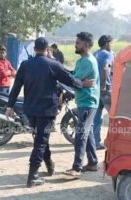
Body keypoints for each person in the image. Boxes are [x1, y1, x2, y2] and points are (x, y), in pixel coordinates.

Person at [6, 37, 93, 187]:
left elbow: (16, 87)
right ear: (47, 49)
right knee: (40, 141)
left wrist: (10, 105)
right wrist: (82, 84)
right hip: (46, 111)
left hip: (30, 111)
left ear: (34, 49)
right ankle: (32, 176)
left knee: (40, 137)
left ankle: (49, 164)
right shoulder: (53, 64)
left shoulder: (25, 65)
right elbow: (69, 80)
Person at [64, 32, 100, 177]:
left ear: (86, 45)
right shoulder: (81, 60)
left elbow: (73, 80)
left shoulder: (87, 61)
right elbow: (74, 78)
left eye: (78, 42)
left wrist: (73, 81)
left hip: (88, 102)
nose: (75, 44)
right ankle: (92, 163)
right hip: (84, 101)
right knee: (88, 132)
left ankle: (77, 167)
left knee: (81, 134)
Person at [93, 35, 114, 150]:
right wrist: (103, 85)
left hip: (95, 90)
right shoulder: (108, 53)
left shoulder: (95, 53)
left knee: (97, 117)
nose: (112, 45)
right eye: (111, 43)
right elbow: (106, 68)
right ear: (106, 43)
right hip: (105, 90)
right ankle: (115, 141)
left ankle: (96, 142)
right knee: (115, 116)